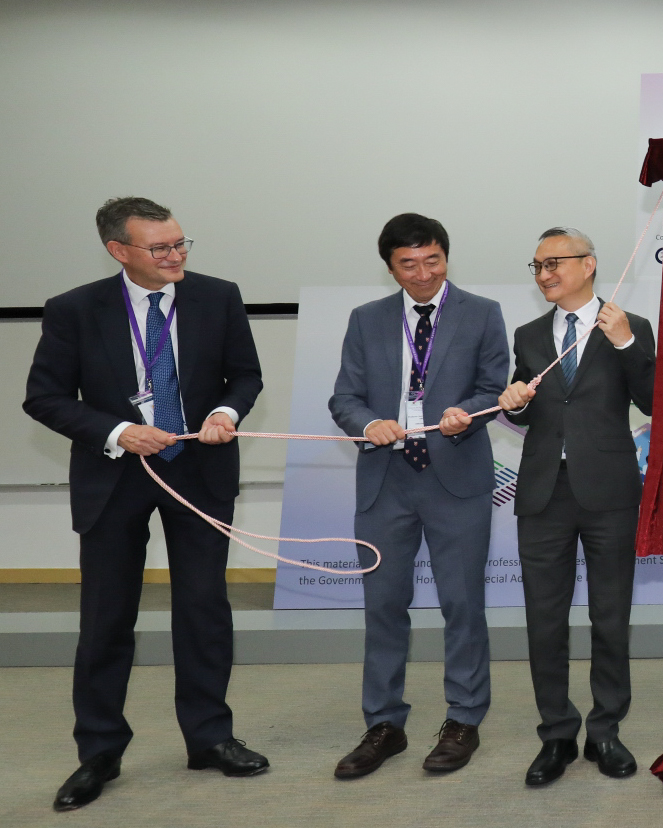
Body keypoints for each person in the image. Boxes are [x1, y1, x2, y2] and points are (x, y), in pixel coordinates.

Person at [24, 197, 267, 811]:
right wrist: (117, 432)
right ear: (119, 251)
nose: (176, 256)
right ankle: (99, 752)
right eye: (161, 248)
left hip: (200, 472)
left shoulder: (218, 295)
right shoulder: (74, 309)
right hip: (115, 478)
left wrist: (225, 411)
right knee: (106, 619)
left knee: (203, 609)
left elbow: (246, 376)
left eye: (182, 243)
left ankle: (209, 738)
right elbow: (45, 397)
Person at [327, 213, 509, 778]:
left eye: (433, 260)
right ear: (390, 267)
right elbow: (344, 398)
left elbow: (493, 388)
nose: (423, 273)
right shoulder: (367, 320)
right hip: (386, 480)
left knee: (462, 605)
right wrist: (369, 422)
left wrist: (469, 414)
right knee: (383, 608)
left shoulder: (482, 313)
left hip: (456, 480)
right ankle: (384, 723)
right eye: (409, 264)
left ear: (446, 257)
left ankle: (464, 719)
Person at [497, 227, 655, 786]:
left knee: (610, 617)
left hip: (609, 491)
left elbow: (655, 400)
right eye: (537, 266)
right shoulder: (530, 334)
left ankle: (606, 730)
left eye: (554, 263)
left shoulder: (628, 326)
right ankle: (558, 734)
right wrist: (511, 403)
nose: (544, 274)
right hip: (544, 493)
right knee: (545, 621)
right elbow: (525, 410)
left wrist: (626, 345)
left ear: (588, 264)